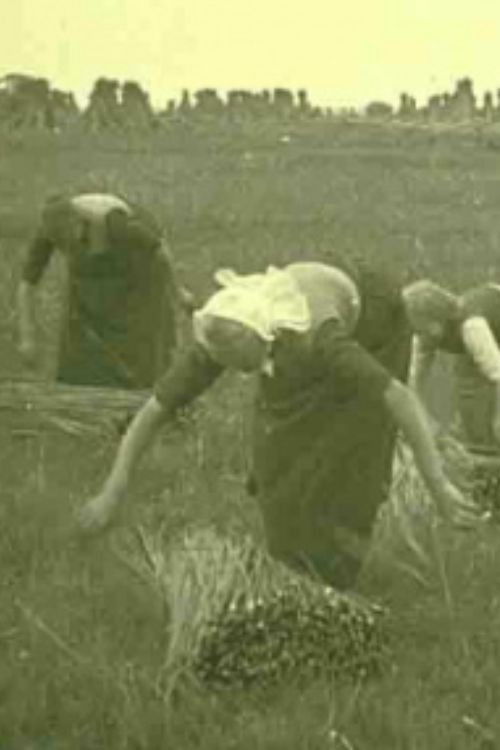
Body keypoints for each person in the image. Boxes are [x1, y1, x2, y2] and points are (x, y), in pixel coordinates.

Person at [78, 261, 478, 590]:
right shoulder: (225, 329)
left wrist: (439, 486)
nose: (244, 374)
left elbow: (398, 399)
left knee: (352, 441)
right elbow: (155, 410)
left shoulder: (320, 339)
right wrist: (111, 491)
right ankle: (291, 556)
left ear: (269, 339)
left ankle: (339, 564)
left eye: (251, 364)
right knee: (278, 442)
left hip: (375, 321)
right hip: (304, 331)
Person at [17, 192, 194, 389]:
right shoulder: (50, 229)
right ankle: (85, 393)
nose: (70, 248)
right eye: (64, 246)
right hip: (91, 279)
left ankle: (138, 393)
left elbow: (160, 252)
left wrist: (179, 293)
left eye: (73, 241)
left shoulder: (116, 223)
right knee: (80, 344)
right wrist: (27, 338)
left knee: (137, 345)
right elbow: (27, 284)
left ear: (79, 222)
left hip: (138, 268)